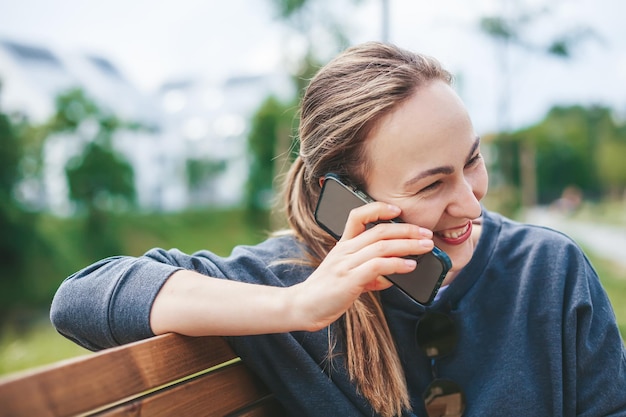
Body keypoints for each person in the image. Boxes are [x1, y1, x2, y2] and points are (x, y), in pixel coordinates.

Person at [50, 42, 626, 417]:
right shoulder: (290, 283)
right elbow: (80, 297)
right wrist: (300, 305)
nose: (469, 203)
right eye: (431, 186)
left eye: (472, 162)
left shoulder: (549, 270)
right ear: (345, 197)